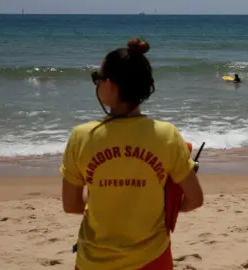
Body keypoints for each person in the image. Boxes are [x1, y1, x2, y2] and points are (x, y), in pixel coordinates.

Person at [60, 39, 204, 270]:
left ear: (113, 85)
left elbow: (71, 204)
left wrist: (106, 196)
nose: (96, 84)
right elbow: (195, 199)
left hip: (94, 261)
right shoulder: (166, 135)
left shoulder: (83, 136)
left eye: (98, 78)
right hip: (152, 259)